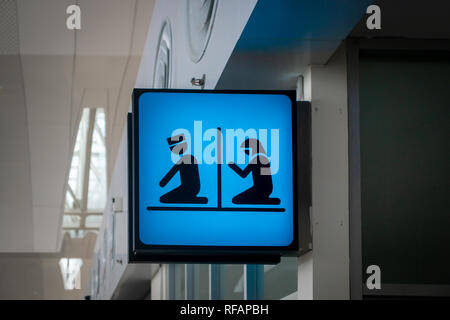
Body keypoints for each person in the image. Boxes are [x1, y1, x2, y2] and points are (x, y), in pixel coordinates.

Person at [228, 138, 280, 205]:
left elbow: (243, 174)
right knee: (236, 200)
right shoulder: (263, 158)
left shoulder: (257, 159)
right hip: (266, 189)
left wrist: (232, 165)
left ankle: (265, 200)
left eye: (246, 150)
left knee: (235, 200)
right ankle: (265, 199)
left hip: (260, 189)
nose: (245, 152)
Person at [159, 134, 207, 204]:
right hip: (193, 189)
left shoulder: (185, 159)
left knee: (163, 199)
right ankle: (193, 199)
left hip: (187, 189)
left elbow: (168, 177)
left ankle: (191, 199)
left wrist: (162, 183)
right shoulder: (190, 158)